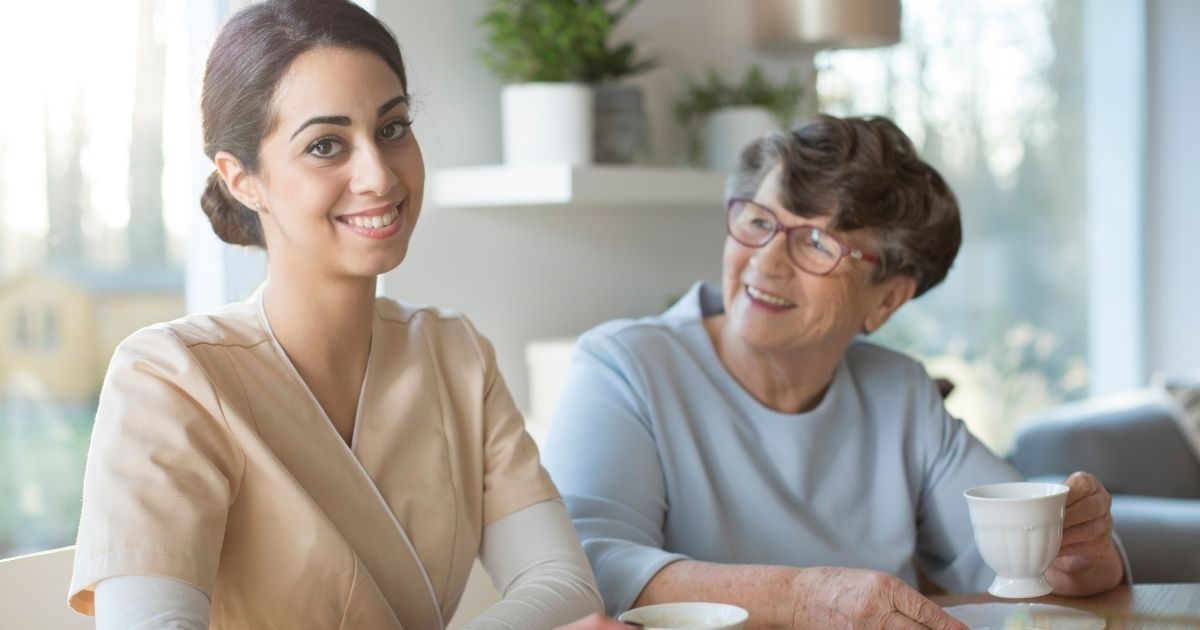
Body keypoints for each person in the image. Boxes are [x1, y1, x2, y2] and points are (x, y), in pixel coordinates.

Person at [67, 1, 603, 628]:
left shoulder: (455, 353)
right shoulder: (168, 378)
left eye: (392, 128)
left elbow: (565, 582)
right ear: (242, 180)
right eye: (326, 145)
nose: (379, 175)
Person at [543, 115, 1128, 628]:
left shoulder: (899, 392)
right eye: (758, 222)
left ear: (886, 300)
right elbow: (584, 566)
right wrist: (799, 599)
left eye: (818, 243)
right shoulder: (625, 366)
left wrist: (1083, 552)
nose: (766, 262)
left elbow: (1028, 570)